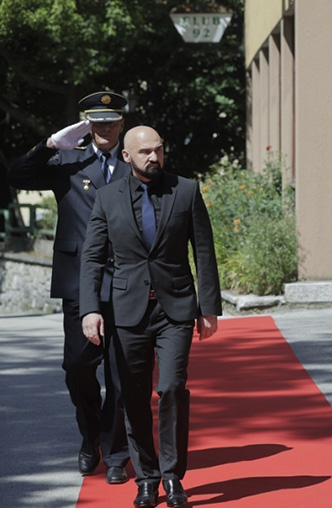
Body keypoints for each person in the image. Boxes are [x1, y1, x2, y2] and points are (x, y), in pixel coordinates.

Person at [80, 126, 222, 508]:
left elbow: (204, 252)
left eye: (158, 150)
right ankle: (147, 477)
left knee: (173, 388)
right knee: (133, 394)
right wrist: (91, 308)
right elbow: (92, 256)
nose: (153, 158)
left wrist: (208, 308)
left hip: (174, 307)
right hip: (128, 312)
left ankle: (174, 477)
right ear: (127, 156)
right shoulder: (108, 198)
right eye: (144, 152)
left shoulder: (186, 190)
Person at [6, 91, 131, 484]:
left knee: (122, 373)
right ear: (87, 125)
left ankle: (115, 453)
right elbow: (16, 176)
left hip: (127, 279)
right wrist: (47, 145)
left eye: (111, 121)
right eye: (97, 122)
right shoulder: (68, 161)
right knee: (78, 367)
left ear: (122, 123)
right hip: (81, 281)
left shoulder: (135, 162)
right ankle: (89, 436)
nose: (105, 128)